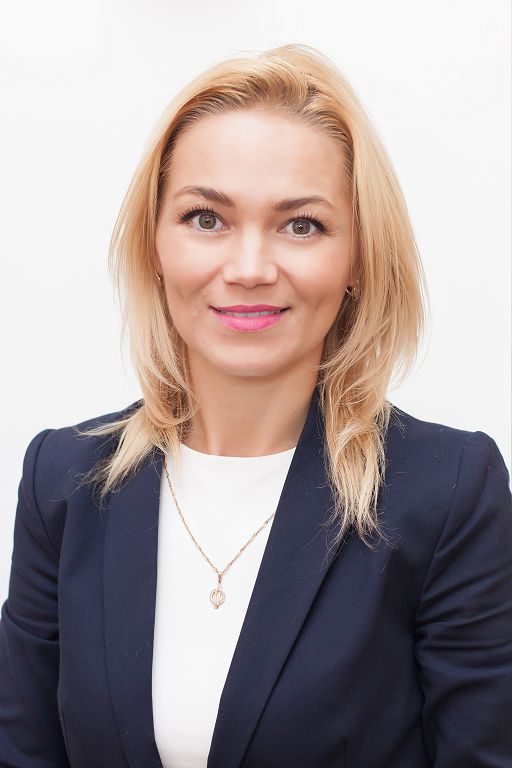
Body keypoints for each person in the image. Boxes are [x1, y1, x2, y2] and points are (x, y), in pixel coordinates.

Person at [0, 42, 510, 768]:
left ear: (358, 257)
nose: (248, 268)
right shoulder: (63, 480)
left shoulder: (449, 490)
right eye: (206, 218)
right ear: (154, 244)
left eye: (301, 225)